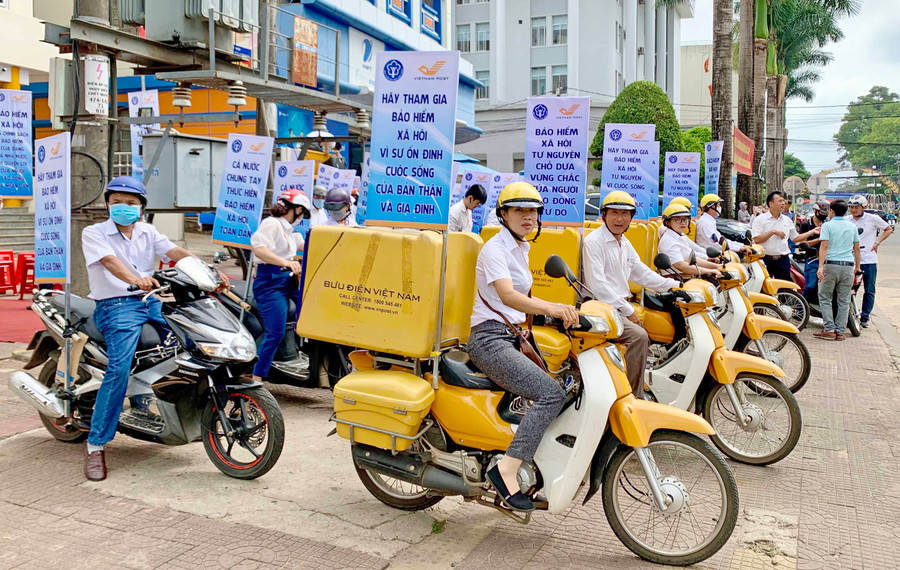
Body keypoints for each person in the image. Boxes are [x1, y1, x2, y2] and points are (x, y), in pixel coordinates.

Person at [80, 176, 230, 481]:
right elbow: (110, 263)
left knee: (196, 344)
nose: (124, 207)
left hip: (150, 301)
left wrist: (208, 270)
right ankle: (95, 445)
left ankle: (183, 413)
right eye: (118, 202)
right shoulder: (94, 232)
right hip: (116, 306)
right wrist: (135, 279)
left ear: (141, 208)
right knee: (119, 369)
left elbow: (176, 254)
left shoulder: (148, 231)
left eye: (132, 203)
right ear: (108, 203)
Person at [467, 182, 579, 513]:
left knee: (567, 388)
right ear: (503, 214)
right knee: (550, 394)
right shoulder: (495, 249)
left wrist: (564, 311)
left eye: (532, 211)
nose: (528, 217)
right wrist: (555, 308)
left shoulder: (520, 247)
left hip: (513, 334)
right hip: (489, 338)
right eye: (519, 210)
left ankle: (530, 460)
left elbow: (522, 302)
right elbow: (508, 296)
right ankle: (505, 470)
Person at [582, 191, 680, 396]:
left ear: (631, 218)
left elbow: (641, 272)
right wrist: (627, 310)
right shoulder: (594, 242)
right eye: (614, 213)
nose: (619, 219)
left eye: (625, 214)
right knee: (639, 337)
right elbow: (598, 286)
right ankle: (632, 396)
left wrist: (672, 285)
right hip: (601, 308)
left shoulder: (624, 242)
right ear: (603, 215)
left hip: (618, 306)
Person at [249, 189, 311, 382]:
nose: (301, 218)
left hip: (288, 281)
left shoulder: (290, 231)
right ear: (298, 209)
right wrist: (285, 262)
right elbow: (259, 249)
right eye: (302, 213)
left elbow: (307, 245)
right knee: (275, 332)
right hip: (270, 283)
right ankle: (256, 377)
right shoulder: (272, 224)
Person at [814, 199, 860, 341]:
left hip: (831, 265)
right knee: (844, 300)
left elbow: (824, 246)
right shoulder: (852, 227)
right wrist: (857, 267)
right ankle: (840, 332)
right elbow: (856, 248)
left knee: (825, 297)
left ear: (831, 211)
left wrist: (820, 266)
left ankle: (829, 329)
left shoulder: (827, 226)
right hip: (848, 266)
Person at [751, 191, 819, 280]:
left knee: (784, 288)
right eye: (780, 201)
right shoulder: (760, 219)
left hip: (783, 260)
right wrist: (773, 232)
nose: (783, 203)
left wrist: (812, 232)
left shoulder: (787, 220)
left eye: (783, 201)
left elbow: (795, 238)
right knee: (764, 289)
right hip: (765, 259)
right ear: (771, 204)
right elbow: (756, 239)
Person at [849, 194, 893, 328]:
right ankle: (850, 315)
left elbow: (888, 229)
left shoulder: (873, 219)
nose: (853, 210)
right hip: (851, 260)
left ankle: (865, 317)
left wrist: (877, 242)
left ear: (864, 207)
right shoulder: (846, 220)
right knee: (850, 290)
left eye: (856, 207)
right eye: (851, 207)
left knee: (869, 290)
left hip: (869, 260)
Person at [657, 204, 723, 278]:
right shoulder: (668, 240)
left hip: (687, 278)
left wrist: (716, 266)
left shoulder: (679, 236)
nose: (683, 222)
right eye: (677, 219)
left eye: (685, 219)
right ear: (667, 222)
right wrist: (709, 270)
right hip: (677, 281)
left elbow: (691, 258)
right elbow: (681, 265)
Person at [794, 199, 830, 305]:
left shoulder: (827, 224)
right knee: (810, 286)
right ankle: (800, 308)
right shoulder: (806, 224)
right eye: (822, 213)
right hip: (812, 258)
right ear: (816, 211)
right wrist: (819, 239)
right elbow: (802, 242)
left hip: (827, 258)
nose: (824, 215)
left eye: (826, 213)